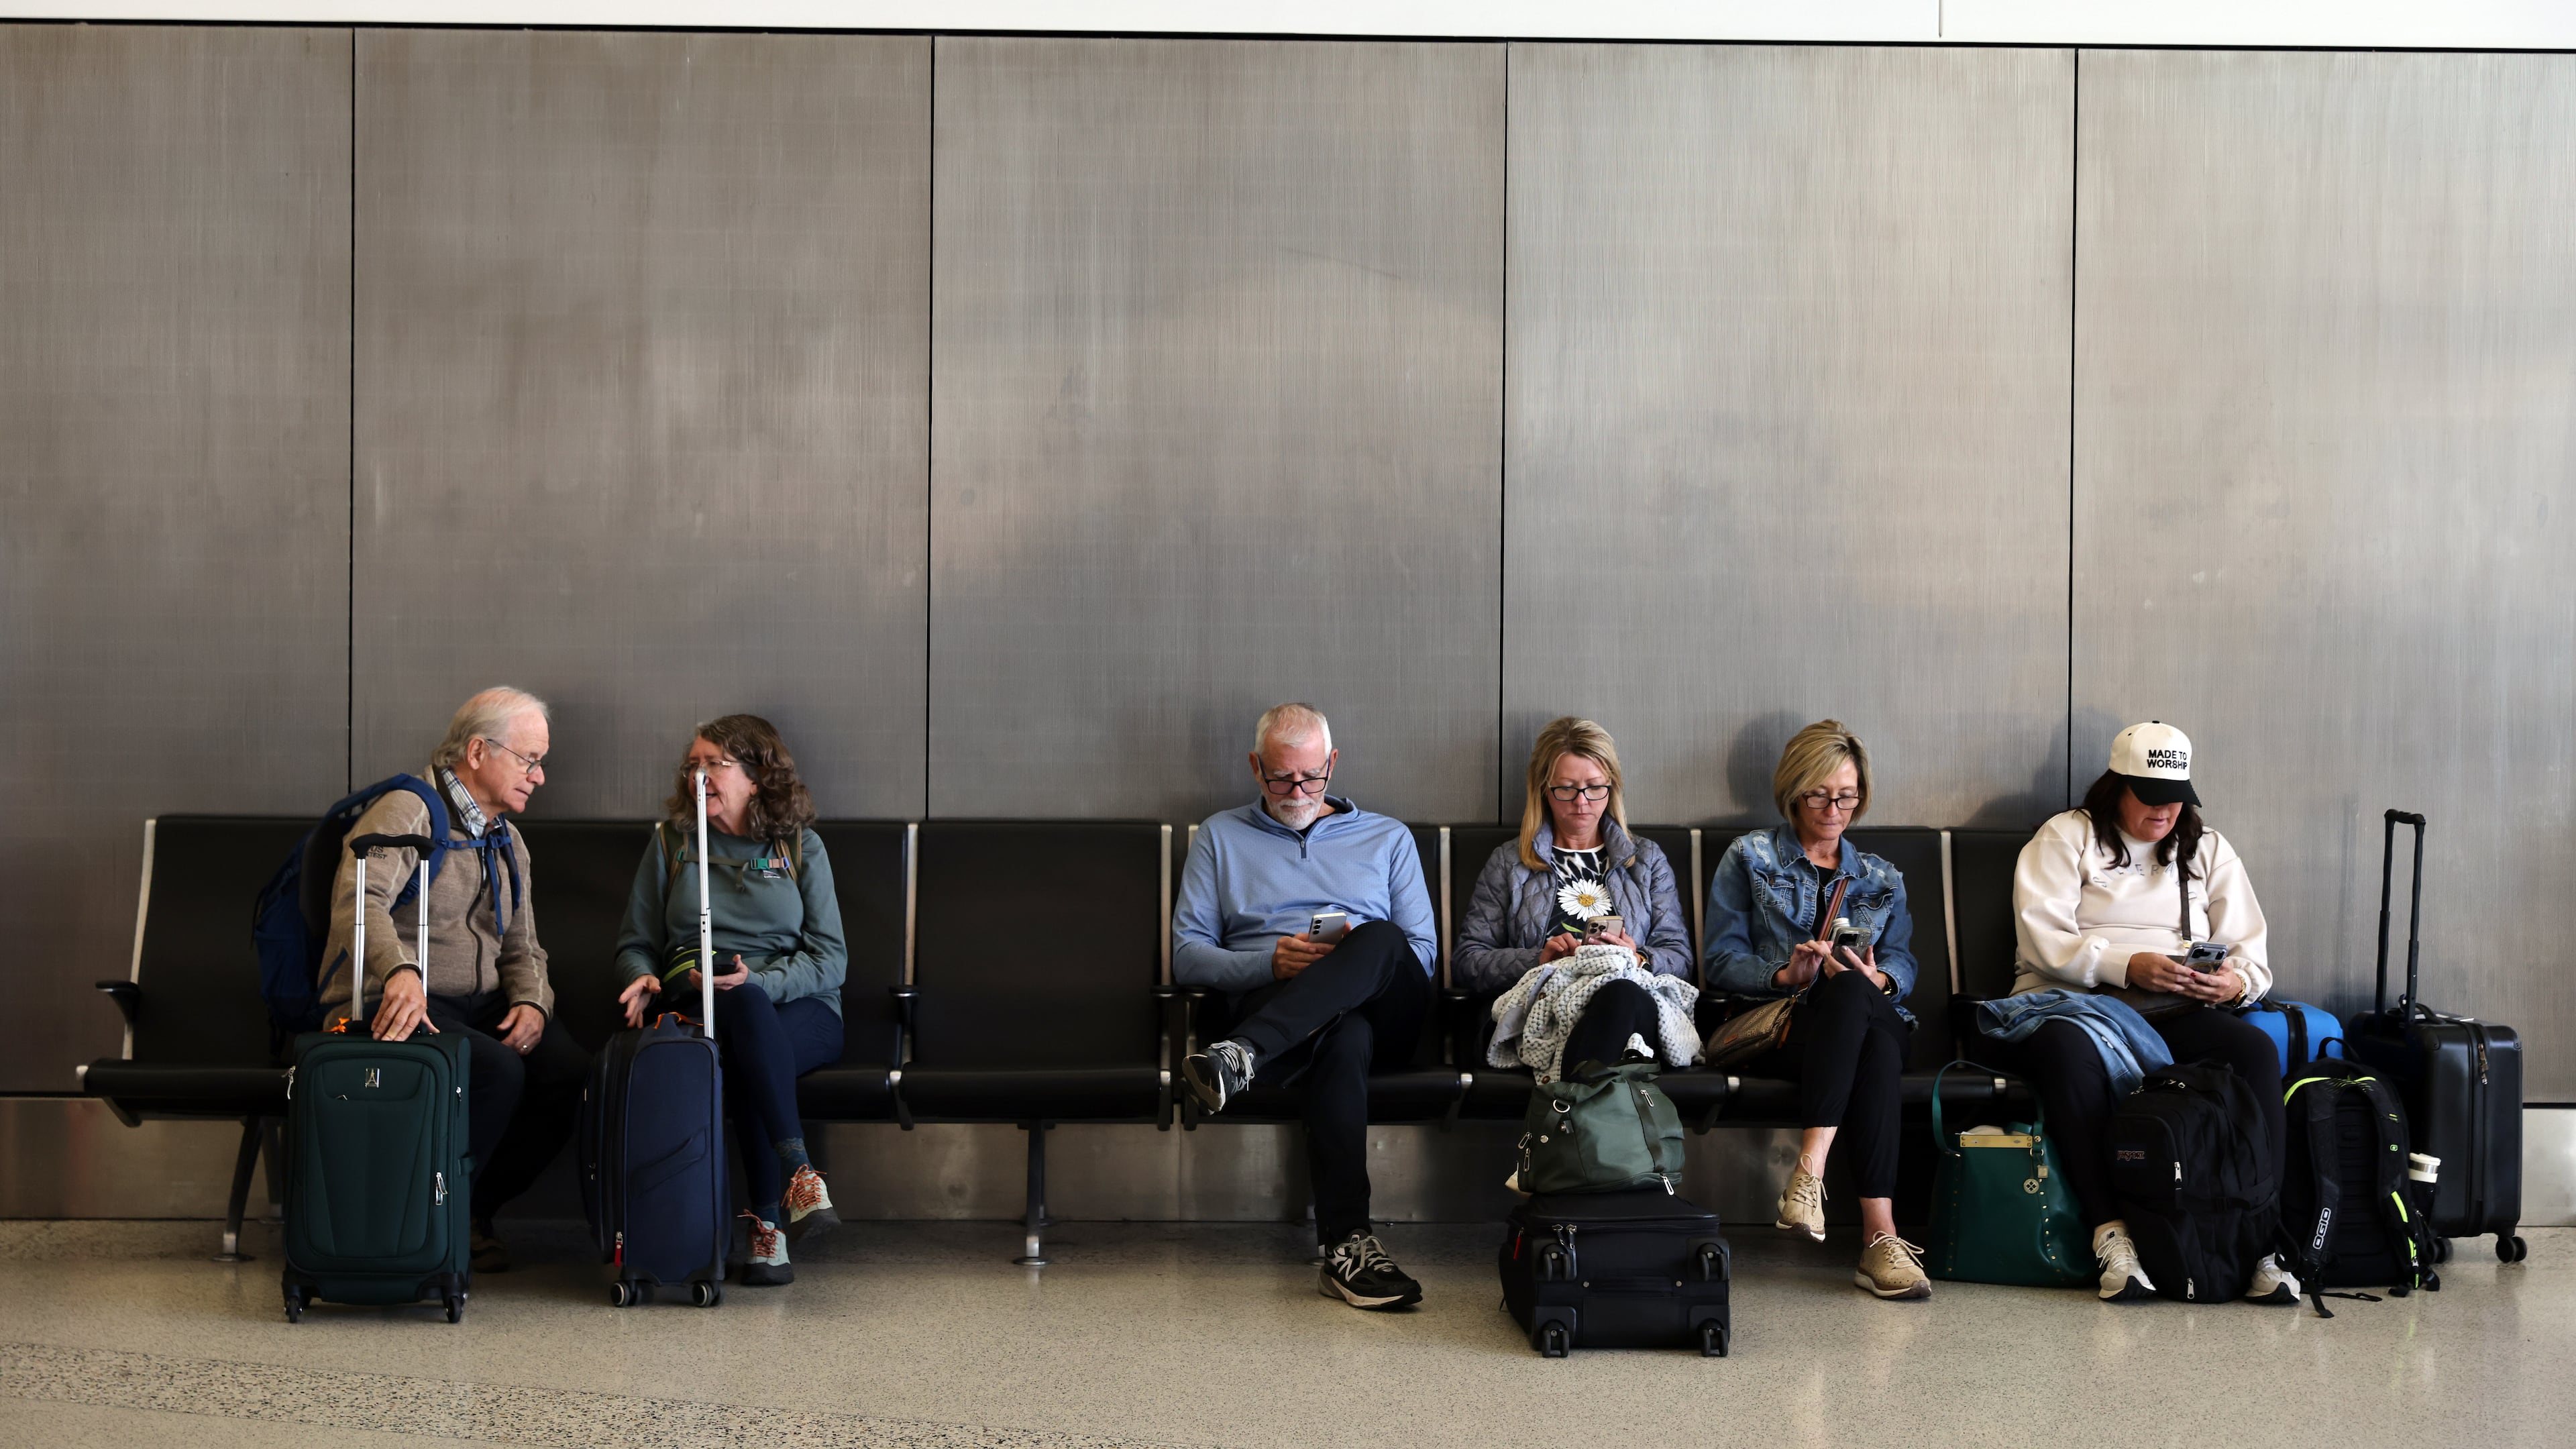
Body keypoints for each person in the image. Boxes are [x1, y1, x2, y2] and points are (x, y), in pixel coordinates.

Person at [1984, 720, 2294, 1305]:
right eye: (2149, 797)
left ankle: (2261, 1240)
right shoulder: (2065, 837)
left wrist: (2232, 984)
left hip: (2176, 1007)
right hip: (2073, 1003)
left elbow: (2251, 951)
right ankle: (2112, 1233)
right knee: (2069, 1054)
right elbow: (2042, 940)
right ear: (2115, 787)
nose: (2165, 810)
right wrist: (2128, 965)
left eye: (2176, 797)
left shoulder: (2208, 849)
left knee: (2254, 1050)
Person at [1175, 703, 1439, 1310]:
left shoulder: (1387, 836)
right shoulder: (1219, 836)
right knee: (1339, 1036)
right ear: (1254, 767)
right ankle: (1349, 1246)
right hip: (1282, 1001)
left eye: (1311, 777)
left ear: (1333, 765)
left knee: (1381, 936)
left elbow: (1421, 955)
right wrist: (1271, 963)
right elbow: (1188, 956)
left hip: (1384, 1008)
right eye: (1279, 778)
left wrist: (1348, 963)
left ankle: (1240, 1057)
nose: (1297, 792)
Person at [320, 686, 586, 1273]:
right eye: (529, 760)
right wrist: (401, 971)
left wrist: (533, 1005)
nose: (538, 777)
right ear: (477, 751)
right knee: (493, 1069)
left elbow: (525, 948)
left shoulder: (508, 841)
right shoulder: (406, 811)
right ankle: (428, 1216)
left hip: (476, 1002)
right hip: (394, 997)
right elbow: (357, 904)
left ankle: (468, 1210)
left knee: (565, 1071)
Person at [614, 715, 847, 1287]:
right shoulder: (671, 843)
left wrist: (757, 985)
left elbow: (830, 959)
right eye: (693, 764)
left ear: (756, 774)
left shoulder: (799, 846)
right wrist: (644, 978)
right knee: (741, 1030)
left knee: (745, 1024)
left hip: (802, 1009)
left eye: (713, 763)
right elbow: (635, 944)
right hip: (699, 1003)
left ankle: (768, 1219)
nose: (699, 775)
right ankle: (797, 1181)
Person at [1705, 719, 1929, 1300]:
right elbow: (1720, 960)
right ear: (1793, 791)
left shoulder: (1881, 876)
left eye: (1847, 796)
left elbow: (1903, 964)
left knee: (1858, 994)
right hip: (1786, 1030)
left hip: (1869, 1016)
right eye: (1820, 795)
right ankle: (1881, 1239)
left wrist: (1879, 975)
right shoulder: (1750, 858)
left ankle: (1809, 1174)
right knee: (1872, 1043)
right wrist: (1785, 974)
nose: (1834, 809)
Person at [1455, 716, 1697, 1082]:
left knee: (1621, 995)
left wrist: (1639, 956)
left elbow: (1679, 956)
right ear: (1544, 790)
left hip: (1628, 1007)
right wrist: (1538, 960)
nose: (1582, 803)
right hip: (1548, 1008)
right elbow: (1469, 961)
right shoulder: (1509, 862)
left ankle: (1561, 1117)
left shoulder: (1646, 860)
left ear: (1611, 788)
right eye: (1567, 789)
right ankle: (1582, 1124)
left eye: (1594, 788)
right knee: (1614, 1010)